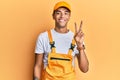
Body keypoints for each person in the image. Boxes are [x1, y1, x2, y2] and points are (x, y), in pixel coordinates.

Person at [34, 1, 89, 80]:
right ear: (53, 16)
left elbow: (85, 69)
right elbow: (37, 66)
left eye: (66, 13)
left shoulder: (77, 38)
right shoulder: (43, 37)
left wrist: (80, 47)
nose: (62, 16)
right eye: (58, 13)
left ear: (69, 16)